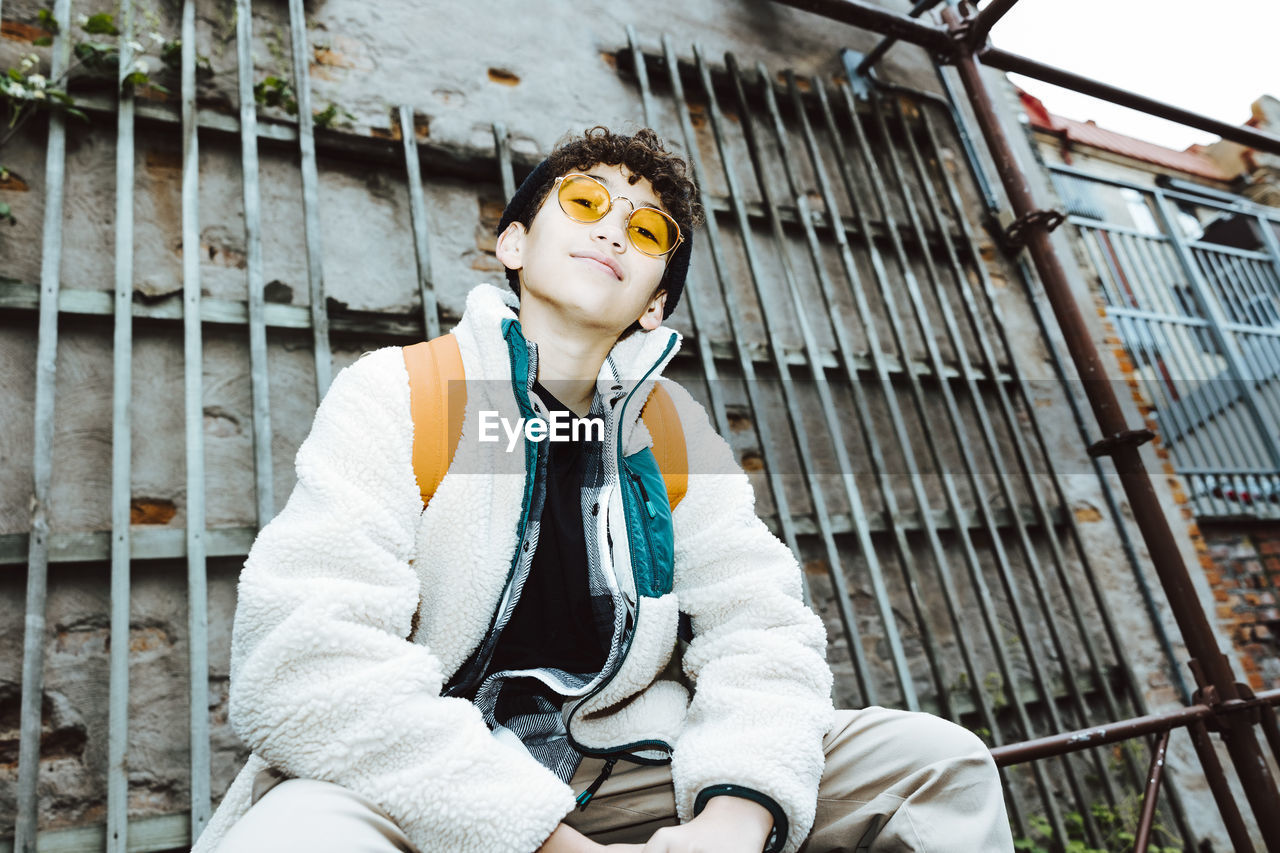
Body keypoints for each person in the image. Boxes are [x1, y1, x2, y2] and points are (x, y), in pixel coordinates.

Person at [192, 126, 1013, 853]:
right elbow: (306, 658)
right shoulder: (406, 389)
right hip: (418, 776)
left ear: (655, 303)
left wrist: (736, 815)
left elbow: (758, 626)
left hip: (624, 762)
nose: (614, 228)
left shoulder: (670, 426)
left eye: (647, 228)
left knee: (935, 762)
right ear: (513, 244)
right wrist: (547, 841)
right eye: (584, 202)